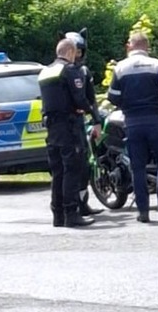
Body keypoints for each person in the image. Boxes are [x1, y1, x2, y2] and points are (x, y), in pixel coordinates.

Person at [107, 32, 158, 223]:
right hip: (155, 120)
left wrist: (126, 105)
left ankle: (143, 212)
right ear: (147, 47)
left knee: (137, 167)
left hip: (132, 122)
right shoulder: (156, 65)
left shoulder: (120, 67)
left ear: (129, 46)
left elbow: (112, 96)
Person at [38, 38, 102, 228]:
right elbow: (80, 98)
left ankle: (58, 215)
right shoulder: (69, 70)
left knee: (57, 172)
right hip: (69, 126)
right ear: (70, 52)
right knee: (72, 169)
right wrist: (92, 114)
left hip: (52, 127)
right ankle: (71, 213)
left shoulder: (45, 71)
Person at [64, 28, 105, 216]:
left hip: (78, 122)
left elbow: (91, 98)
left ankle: (82, 203)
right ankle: (69, 207)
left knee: (84, 165)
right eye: (74, 51)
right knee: (69, 167)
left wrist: (96, 121)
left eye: (80, 51)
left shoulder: (84, 72)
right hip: (64, 124)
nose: (77, 56)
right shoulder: (60, 71)